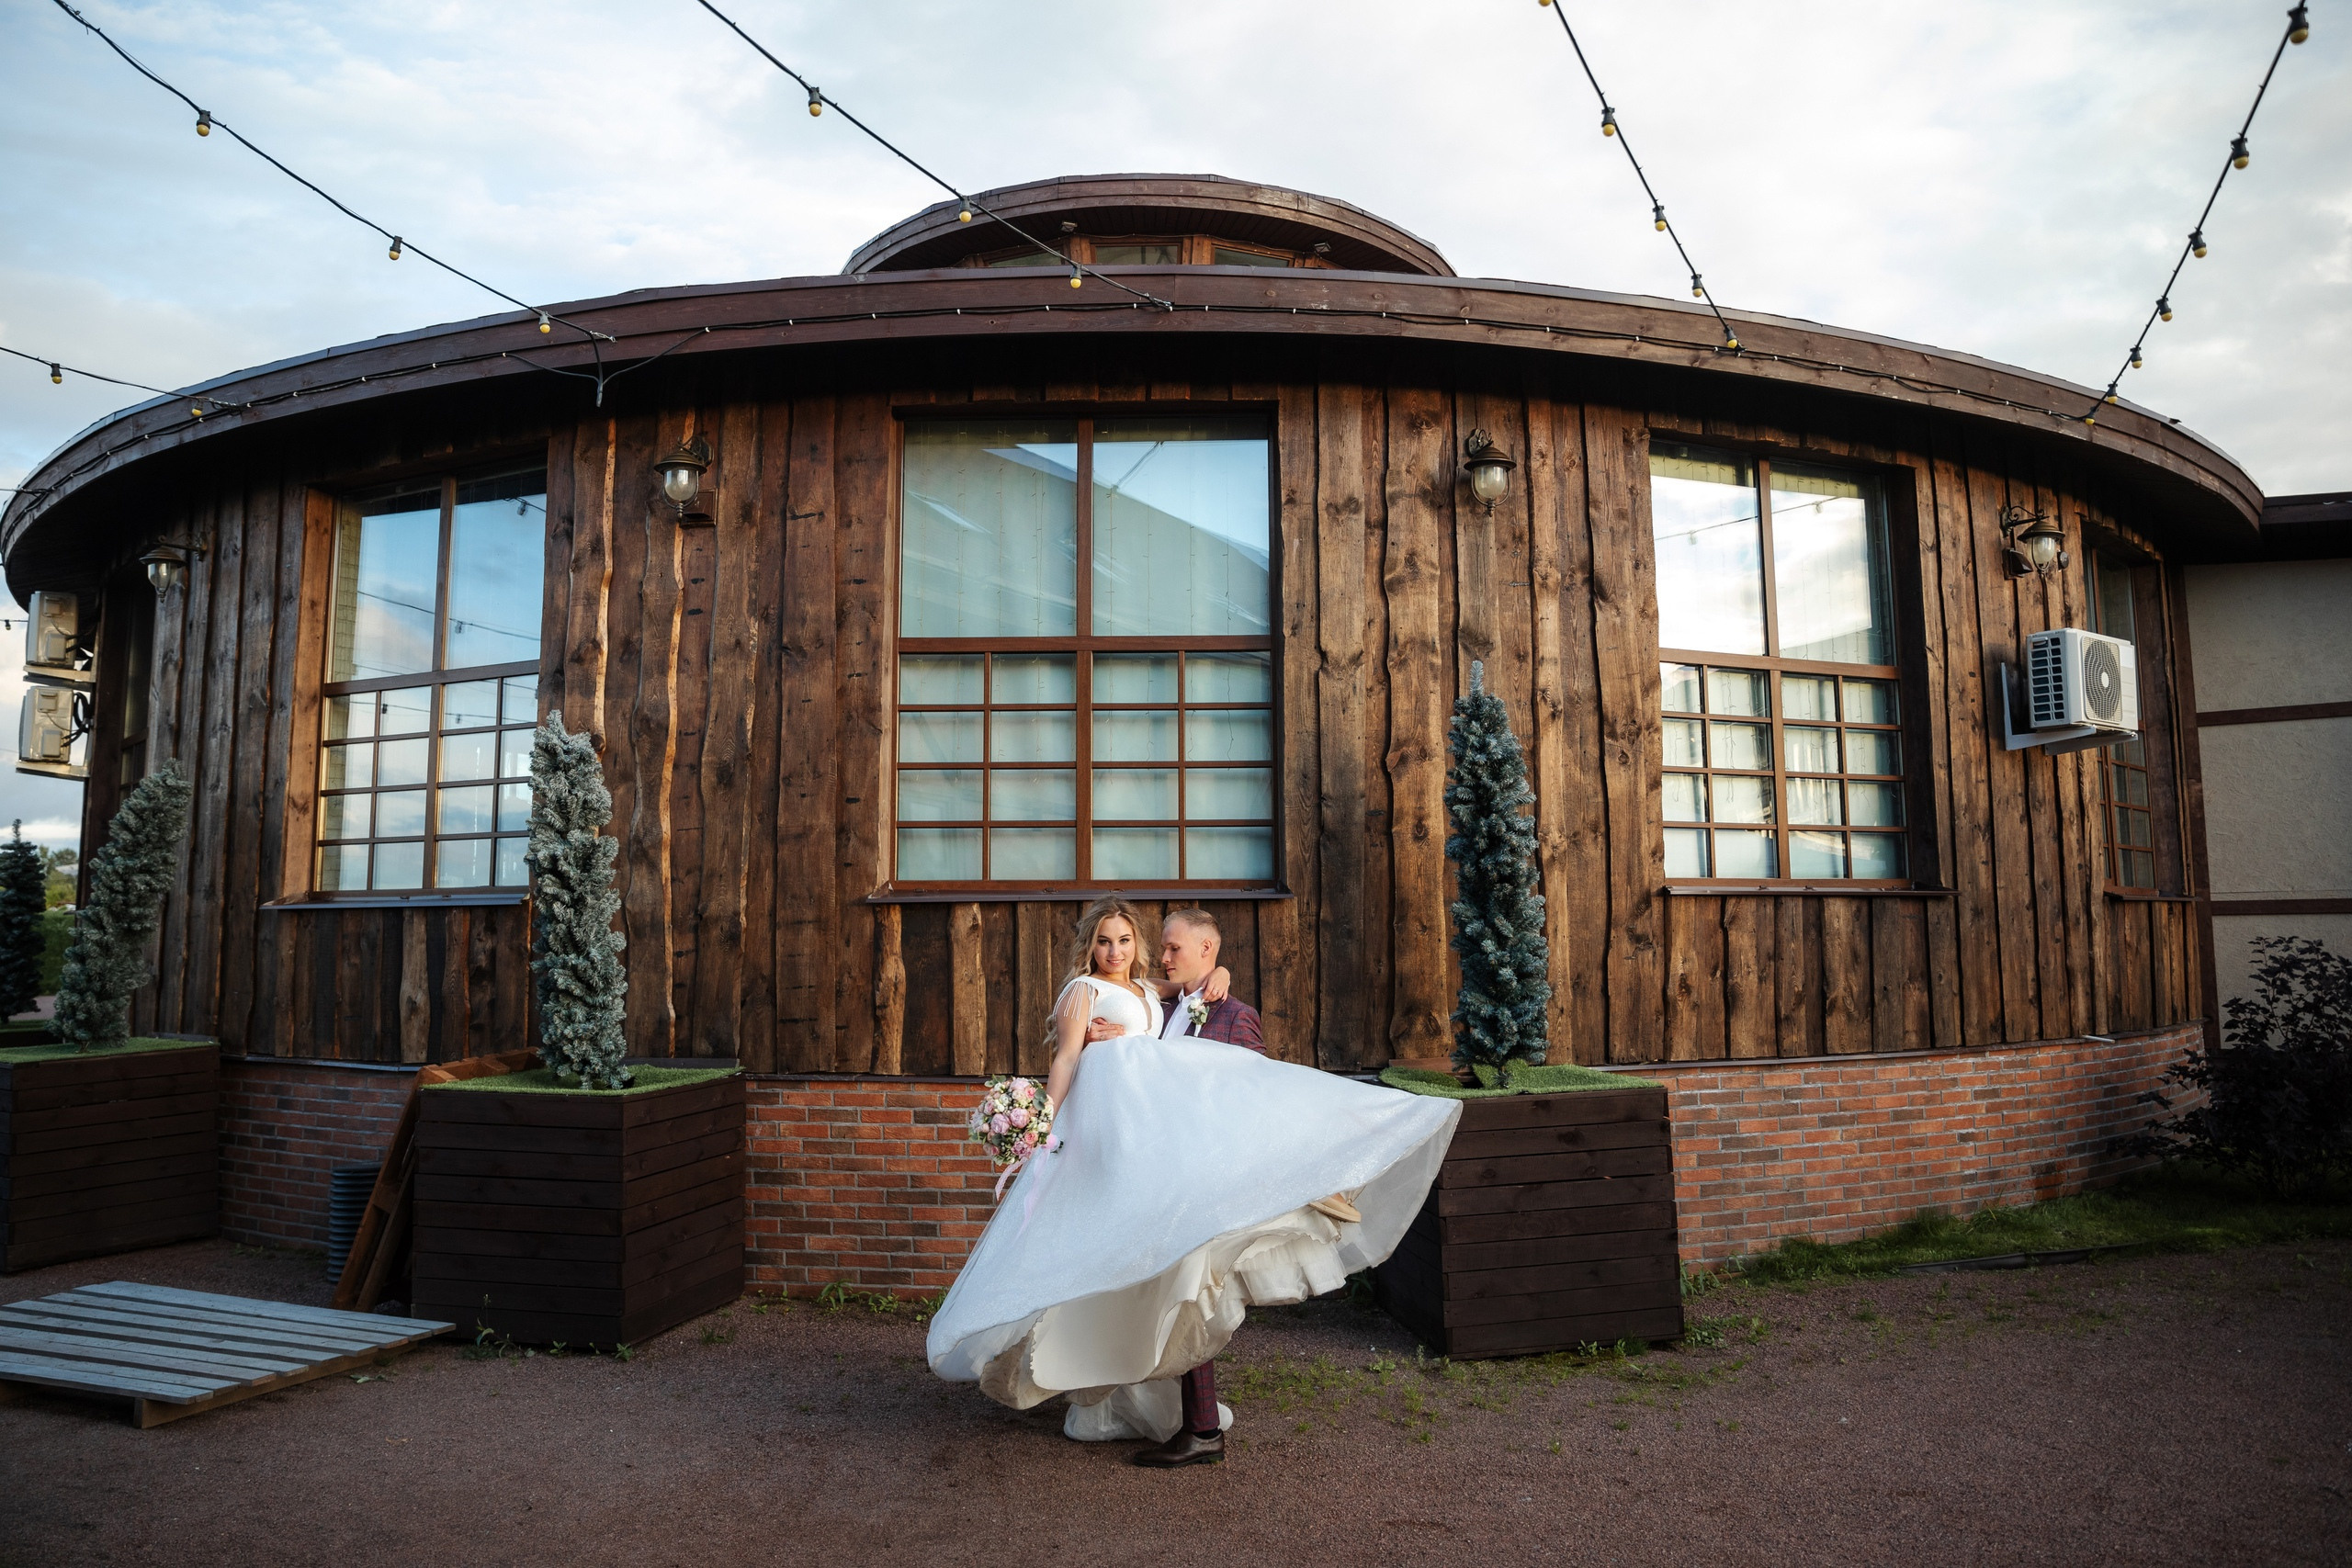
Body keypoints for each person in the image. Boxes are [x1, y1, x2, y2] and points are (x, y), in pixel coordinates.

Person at [926, 896, 1461, 1470]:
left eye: (1132, 941)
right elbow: (1067, 1060)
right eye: (1107, 941)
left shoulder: (1191, 1002)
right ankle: (1164, 1410)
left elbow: (1247, 1090)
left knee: (1181, 1282)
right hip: (1132, 1153)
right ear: (1091, 945)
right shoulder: (1102, 994)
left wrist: (1219, 971)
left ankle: (1200, 1425)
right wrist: (1040, 1124)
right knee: (1146, 1276)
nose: (1121, 950)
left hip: (1194, 1169)